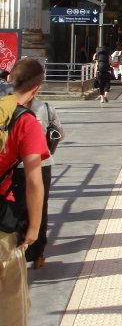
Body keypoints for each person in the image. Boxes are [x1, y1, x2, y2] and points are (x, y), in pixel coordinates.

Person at [0, 58, 49, 325]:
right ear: (37, 88)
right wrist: (34, 228)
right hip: (3, 223)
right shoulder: (25, 121)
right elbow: (33, 181)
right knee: (11, 305)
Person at [11, 79, 63, 270]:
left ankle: (16, 250)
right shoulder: (46, 107)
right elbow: (60, 133)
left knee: (14, 207)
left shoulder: (9, 108)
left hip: (14, 166)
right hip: (42, 164)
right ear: (36, 87)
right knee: (39, 208)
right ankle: (38, 253)